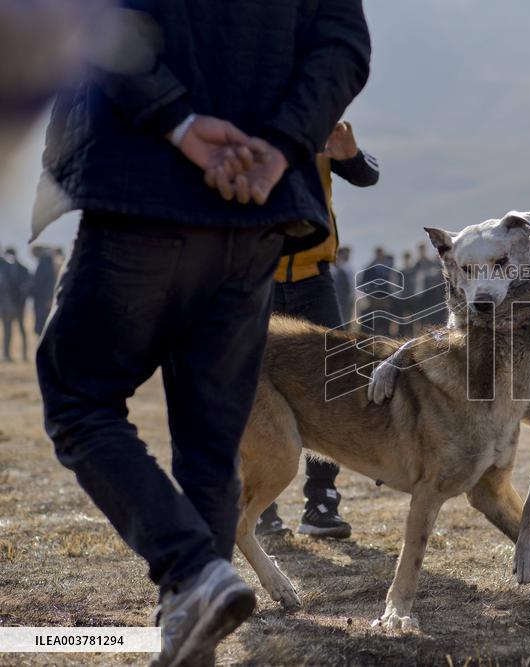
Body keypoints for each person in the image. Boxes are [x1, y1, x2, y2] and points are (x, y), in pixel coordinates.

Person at [32, 3, 370, 664]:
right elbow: (342, 44)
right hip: (256, 214)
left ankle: (192, 568)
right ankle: (191, 629)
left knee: (78, 398)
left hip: (142, 187)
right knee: (212, 443)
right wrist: (280, 144)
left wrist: (179, 122)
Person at [257, 120, 379, 541]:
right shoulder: (241, 114)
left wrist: (351, 153)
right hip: (254, 274)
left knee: (333, 385)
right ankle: (260, 503)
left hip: (314, 279)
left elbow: (367, 175)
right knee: (252, 385)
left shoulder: (318, 118)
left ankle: (322, 503)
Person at [1, 247, 31, 362]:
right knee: (8, 331)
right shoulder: (4, 269)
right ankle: (7, 355)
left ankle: (23, 355)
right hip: (8, 305)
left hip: (18, 304)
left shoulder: (22, 269)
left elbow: (28, 285)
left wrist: (22, 294)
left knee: (20, 330)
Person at [30, 245, 60, 336]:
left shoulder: (46, 264)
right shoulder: (44, 263)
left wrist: (49, 299)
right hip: (41, 299)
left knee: (44, 323)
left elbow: (50, 282)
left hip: (44, 300)